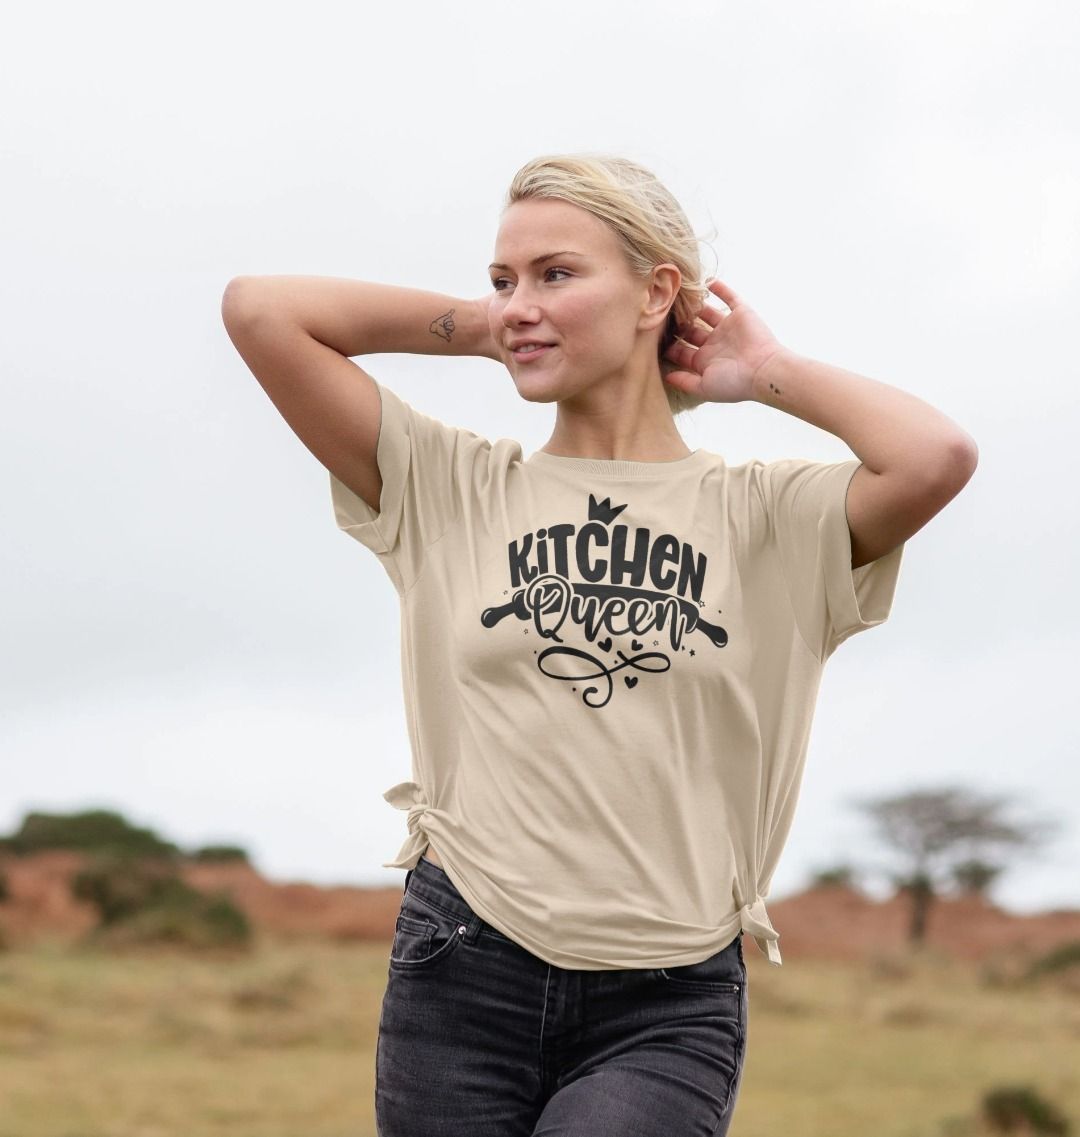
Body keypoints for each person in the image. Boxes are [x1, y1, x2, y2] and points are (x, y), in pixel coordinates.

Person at [221, 153, 978, 1136]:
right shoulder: (447, 485)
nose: (520, 302)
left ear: (656, 292)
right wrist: (490, 327)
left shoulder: (771, 517)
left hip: (667, 1001)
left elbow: (935, 455)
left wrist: (768, 374)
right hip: (461, 968)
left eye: (557, 274)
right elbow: (261, 311)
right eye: (504, 279)